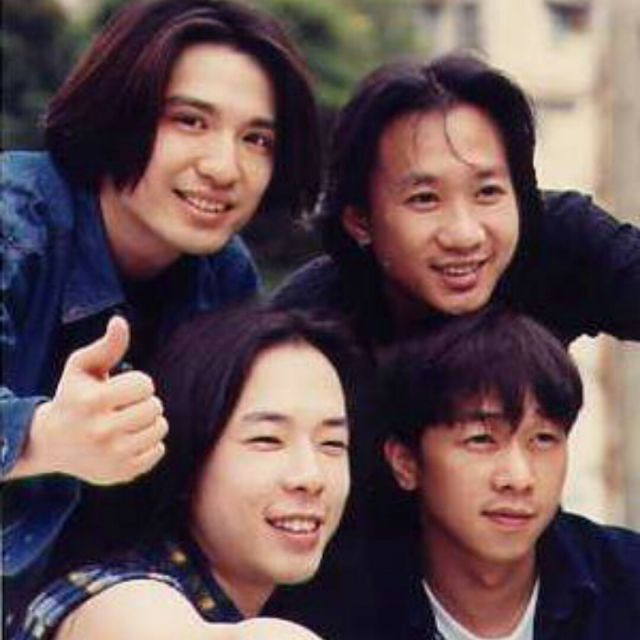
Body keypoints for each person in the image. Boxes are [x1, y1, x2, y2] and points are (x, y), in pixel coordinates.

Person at [1, 0, 320, 611]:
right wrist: (46, 435)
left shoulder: (224, 277)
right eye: (190, 121)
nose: (224, 168)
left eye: (256, 139)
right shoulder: (14, 220)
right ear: (119, 110)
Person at [12, 304, 360, 640]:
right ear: (189, 452)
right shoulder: (121, 603)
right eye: (267, 440)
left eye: (332, 443)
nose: (310, 477)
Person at [272, 53, 640, 347]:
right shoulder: (308, 324)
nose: (465, 235)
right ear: (360, 221)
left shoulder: (562, 242)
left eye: (487, 192)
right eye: (425, 199)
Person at [372, 306, 640, 639]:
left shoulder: (628, 584)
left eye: (543, 439)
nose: (519, 478)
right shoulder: (348, 613)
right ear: (405, 462)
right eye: (482, 439)